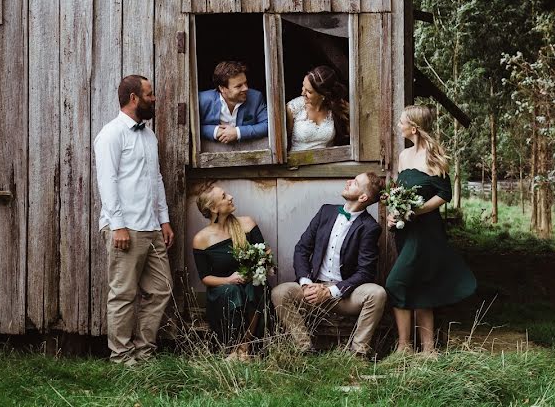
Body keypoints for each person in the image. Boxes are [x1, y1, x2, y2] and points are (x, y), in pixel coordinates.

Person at [93, 74, 175, 365]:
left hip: (151, 228)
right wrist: (117, 225)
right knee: (123, 295)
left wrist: (163, 220)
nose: (154, 99)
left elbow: (156, 179)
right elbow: (107, 182)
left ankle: (144, 351)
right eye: (150, 95)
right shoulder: (111, 134)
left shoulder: (149, 135)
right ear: (133, 99)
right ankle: (121, 356)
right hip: (124, 229)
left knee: (161, 289)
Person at [385, 105, 477, 354]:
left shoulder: (433, 155)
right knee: (419, 285)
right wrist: (394, 214)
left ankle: (408, 346)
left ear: (413, 128)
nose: (399, 125)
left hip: (426, 232)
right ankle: (422, 350)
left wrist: (417, 211)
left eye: (402, 121)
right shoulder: (404, 156)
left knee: (396, 283)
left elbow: (444, 194)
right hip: (405, 232)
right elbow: (398, 191)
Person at [271, 172, 386, 357]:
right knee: (280, 292)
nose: (348, 181)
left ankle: (359, 352)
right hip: (313, 287)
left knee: (377, 293)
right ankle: (304, 348)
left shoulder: (370, 227)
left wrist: (330, 291)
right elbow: (302, 249)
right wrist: (306, 284)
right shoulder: (326, 211)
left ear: (363, 197)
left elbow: (365, 272)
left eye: (355, 182)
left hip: (344, 295)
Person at [192, 186, 268, 358]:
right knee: (232, 291)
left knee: (255, 287)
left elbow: (265, 253)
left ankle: (244, 346)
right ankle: (234, 347)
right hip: (223, 289)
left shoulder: (246, 224)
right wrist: (229, 280)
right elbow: (205, 278)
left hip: (251, 283)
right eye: (224, 196)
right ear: (213, 208)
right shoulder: (201, 239)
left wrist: (254, 271)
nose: (231, 197)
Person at [198, 61, 268, 145]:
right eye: (239, 86)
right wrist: (214, 131)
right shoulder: (202, 100)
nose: (246, 88)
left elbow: (268, 125)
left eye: (245, 83)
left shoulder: (256, 97)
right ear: (222, 88)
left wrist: (238, 132)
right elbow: (189, 126)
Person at [286, 65, 350, 151]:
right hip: (299, 161)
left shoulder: (334, 107)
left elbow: (354, 135)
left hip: (329, 161)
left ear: (322, 95)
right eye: (303, 86)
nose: (302, 93)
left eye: (309, 91)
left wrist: (351, 113)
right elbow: (284, 143)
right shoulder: (293, 108)